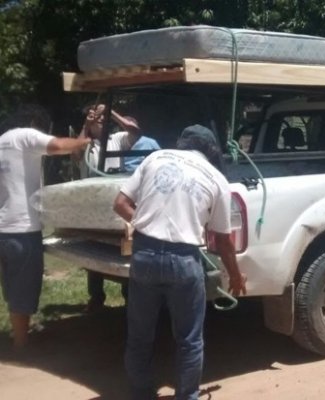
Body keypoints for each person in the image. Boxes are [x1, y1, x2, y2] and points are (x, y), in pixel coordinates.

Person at [113, 124, 246, 400]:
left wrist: (145, 223)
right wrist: (235, 276)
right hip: (184, 260)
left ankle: (140, 394)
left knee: (140, 336)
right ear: (210, 151)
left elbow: (120, 203)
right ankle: (187, 396)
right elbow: (223, 242)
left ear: (181, 143)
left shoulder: (155, 157)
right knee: (189, 340)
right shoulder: (217, 179)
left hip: (144, 254)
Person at [0, 104, 91, 349]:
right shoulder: (26, 135)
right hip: (22, 230)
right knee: (23, 290)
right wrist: (86, 139)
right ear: (35, 123)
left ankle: (15, 339)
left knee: (9, 286)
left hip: (2, 229)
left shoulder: (2, 142)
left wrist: (83, 131)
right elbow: (60, 146)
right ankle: (20, 346)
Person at [78, 104, 161, 312]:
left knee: (124, 247)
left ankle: (127, 295)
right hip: (94, 202)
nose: (99, 119)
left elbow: (135, 131)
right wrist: (86, 126)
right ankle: (96, 297)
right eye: (95, 116)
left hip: (117, 198)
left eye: (100, 117)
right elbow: (77, 152)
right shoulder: (86, 143)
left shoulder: (116, 139)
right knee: (94, 246)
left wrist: (111, 113)